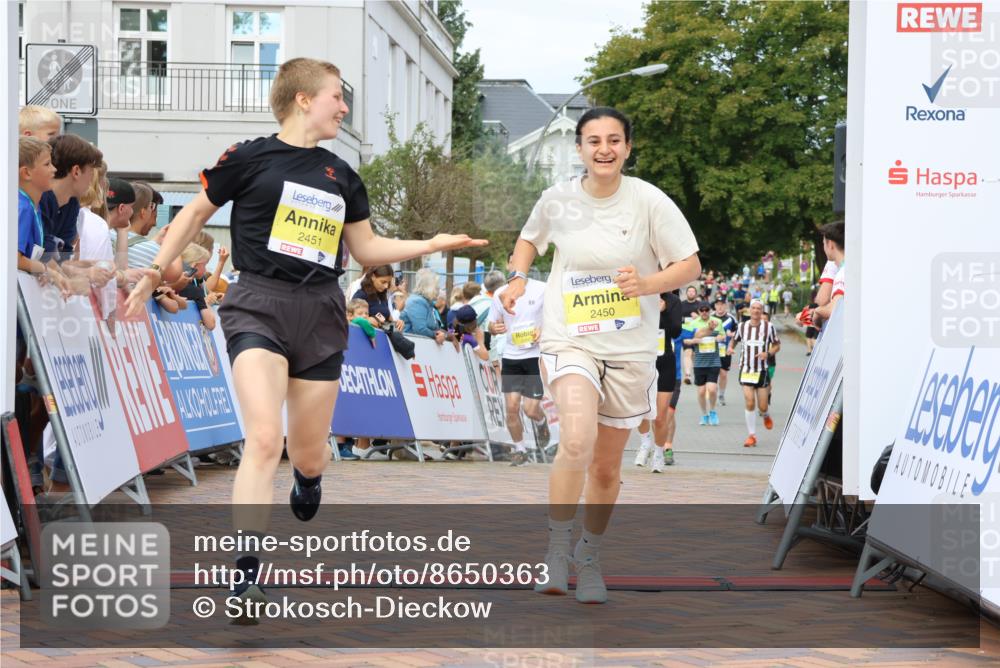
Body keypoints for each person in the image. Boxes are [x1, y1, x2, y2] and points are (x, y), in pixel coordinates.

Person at [124, 57, 484, 620]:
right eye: (337, 97)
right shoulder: (249, 157)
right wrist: (155, 269)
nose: (344, 107)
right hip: (257, 306)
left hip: (320, 312)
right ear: (301, 99)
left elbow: (365, 250)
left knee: (309, 453)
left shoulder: (342, 175)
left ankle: (309, 480)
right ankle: (245, 576)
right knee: (266, 439)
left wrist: (430, 241)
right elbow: (195, 213)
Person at [502, 106, 700, 604]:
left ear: (628, 148)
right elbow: (527, 240)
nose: (604, 149)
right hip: (571, 338)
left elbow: (690, 265)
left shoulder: (650, 202)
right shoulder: (559, 199)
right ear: (580, 149)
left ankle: (589, 557)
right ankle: (555, 550)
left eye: (614, 140)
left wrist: (648, 283)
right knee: (576, 438)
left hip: (630, 348)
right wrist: (518, 279)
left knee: (607, 469)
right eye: (594, 141)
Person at [489, 265, 548, 466]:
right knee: (512, 408)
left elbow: (557, 316)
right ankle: (520, 449)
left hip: (534, 354)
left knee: (531, 410)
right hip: (511, 355)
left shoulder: (541, 288)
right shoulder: (499, 294)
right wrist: (494, 328)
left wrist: (543, 329)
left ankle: (541, 422)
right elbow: (491, 323)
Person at [634, 290, 683, 471]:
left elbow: (676, 331)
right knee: (640, 410)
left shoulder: (673, 300)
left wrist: (663, 311)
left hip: (665, 362)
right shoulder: (639, 295)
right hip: (643, 361)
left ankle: (658, 454)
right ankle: (645, 442)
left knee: (660, 417)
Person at [728, 299, 781, 448]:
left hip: (762, 370)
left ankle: (765, 414)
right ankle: (751, 435)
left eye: (759, 308)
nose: (756, 311)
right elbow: (734, 340)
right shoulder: (742, 326)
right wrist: (730, 348)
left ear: (762, 311)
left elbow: (777, 345)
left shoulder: (769, 327)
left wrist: (768, 353)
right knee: (750, 401)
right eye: (753, 308)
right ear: (749, 310)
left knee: (762, 406)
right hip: (746, 369)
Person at [683, 303, 724, 426]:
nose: (705, 312)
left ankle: (712, 411)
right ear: (699, 311)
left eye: (707, 310)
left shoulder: (717, 321)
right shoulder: (693, 324)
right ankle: (704, 414)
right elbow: (685, 339)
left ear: (710, 311)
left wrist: (720, 338)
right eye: (702, 310)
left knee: (711, 389)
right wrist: (694, 340)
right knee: (701, 392)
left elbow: (723, 335)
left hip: (713, 361)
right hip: (699, 362)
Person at [401, 268, 448, 344]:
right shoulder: (417, 302)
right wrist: (436, 334)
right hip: (413, 345)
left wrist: (444, 335)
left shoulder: (428, 302)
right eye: (436, 286)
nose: (438, 289)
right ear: (429, 287)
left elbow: (435, 328)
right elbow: (420, 329)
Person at [352, 264, 404, 331]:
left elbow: (387, 317)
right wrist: (366, 320)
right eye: (383, 282)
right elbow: (351, 319)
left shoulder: (382, 294)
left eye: (388, 282)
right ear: (373, 277)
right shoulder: (361, 295)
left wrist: (397, 322)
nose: (386, 286)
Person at [812, 221, 845, 328]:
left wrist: (817, 311)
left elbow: (835, 308)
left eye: (823, 244)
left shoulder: (843, 272)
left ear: (830, 244)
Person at [712, 297, 738, 407]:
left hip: (725, 350)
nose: (720, 306)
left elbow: (738, 333)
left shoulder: (731, 319)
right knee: (712, 374)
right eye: (718, 304)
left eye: (722, 304)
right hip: (711, 350)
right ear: (715, 306)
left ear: (725, 306)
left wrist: (731, 335)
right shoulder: (710, 317)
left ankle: (721, 395)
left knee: (723, 374)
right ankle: (712, 393)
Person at [679, 285, 701, 384]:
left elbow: (707, 318)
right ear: (686, 293)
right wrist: (684, 319)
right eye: (689, 291)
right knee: (687, 352)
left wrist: (698, 317)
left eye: (693, 291)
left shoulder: (700, 305)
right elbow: (676, 317)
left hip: (698, 333)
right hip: (686, 332)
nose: (691, 293)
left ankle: (696, 373)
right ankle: (687, 375)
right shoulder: (681, 304)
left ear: (695, 294)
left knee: (694, 354)